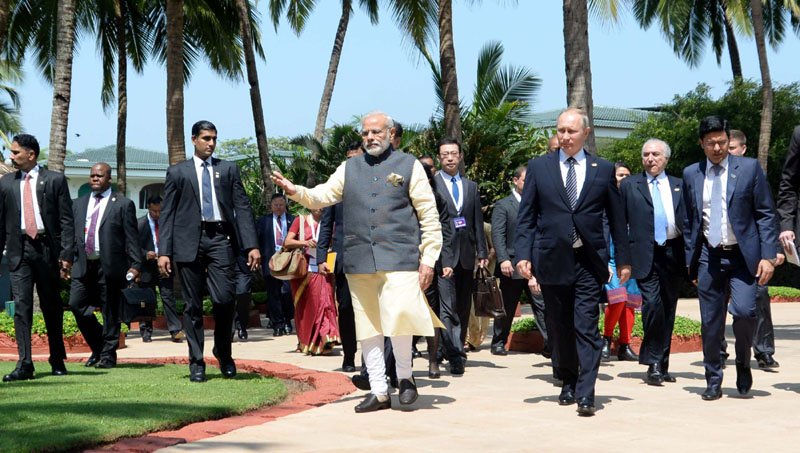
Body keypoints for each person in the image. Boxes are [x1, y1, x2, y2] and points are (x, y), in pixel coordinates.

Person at [271, 111, 443, 413]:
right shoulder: (349, 167)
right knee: (369, 327)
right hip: (359, 259)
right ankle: (378, 390)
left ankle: (405, 378)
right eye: (365, 133)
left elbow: (429, 215)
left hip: (400, 258)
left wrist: (428, 259)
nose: (370, 138)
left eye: (376, 132)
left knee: (401, 318)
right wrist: (295, 190)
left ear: (390, 133)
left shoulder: (409, 164)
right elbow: (323, 194)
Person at [515, 108, 631, 416]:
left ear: (585, 133)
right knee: (559, 325)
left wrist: (624, 260)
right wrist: (523, 255)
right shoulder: (540, 168)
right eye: (561, 131)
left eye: (571, 131)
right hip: (551, 258)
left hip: (588, 261)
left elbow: (617, 219)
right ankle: (566, 378)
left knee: (585, 325)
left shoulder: (602, 169)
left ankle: (586, 391)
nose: (565, 137)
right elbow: (526, 216)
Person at [682, 115, 778, 401]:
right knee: (710, 322)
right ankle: (713, 378)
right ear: (702, 144)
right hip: (708, 258)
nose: (717, 148)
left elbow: (765, 213)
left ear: (728, 141)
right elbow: (689, 221)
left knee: (746, 312)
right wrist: (692, 260)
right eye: (711, 143)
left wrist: (768, 256)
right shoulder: (691, 174)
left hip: (743, 257)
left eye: (722, 142)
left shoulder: (749, 169)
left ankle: (743, 362)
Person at [158, 120, 261, 383]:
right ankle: (196, 362)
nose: (211, 143)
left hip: (220, 239)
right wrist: (164, 252)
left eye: (214, 138)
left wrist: (252, 245)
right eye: (206, 138)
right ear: (194, 140)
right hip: (187, 242)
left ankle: (223, 353)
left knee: (225, 299)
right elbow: (167, 213)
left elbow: (243, 207)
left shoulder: (228, 169)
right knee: (192, 305)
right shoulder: (177, 172)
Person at [0, 134, 74, 382]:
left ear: (31, 154)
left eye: (16, 152)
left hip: (46, 250)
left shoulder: (54, 180)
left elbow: (66, 220)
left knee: (51, 306)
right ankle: (25, 364)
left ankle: (57, 359)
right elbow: (1, 224)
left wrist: (66, 254)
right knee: (21, 307)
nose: (12, 156)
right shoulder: (6, 183)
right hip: (18, 250)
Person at [619, 140, 685, 385]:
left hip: (672, 253)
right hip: (644, 254)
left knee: (668, 308)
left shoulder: (679, 184)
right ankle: (653, 362)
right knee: (653, 305)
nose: (650, 158)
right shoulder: (629, 185)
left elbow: (690, 222)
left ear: (666, 158)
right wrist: (622, 260)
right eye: (646, 154)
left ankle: (662, 363)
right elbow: (618, 224)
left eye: (655, 154)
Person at [69, 163, 141, 368]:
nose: (94, 179)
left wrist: (136, 265)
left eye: (99, 176)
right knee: (76, 304)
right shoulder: (79, 204)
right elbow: (71, 235)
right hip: (83, 265)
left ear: (109, 178)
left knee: (110, 312)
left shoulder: (122, 204)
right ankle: (99, 347)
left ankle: (108, 357)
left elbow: (131, 237)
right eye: (92, 175)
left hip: (110, 265)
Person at [722, 130, 781, 369]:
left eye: (732, 148)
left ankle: (763, 350)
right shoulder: (711, 175)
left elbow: (766, 214)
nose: (727, 152)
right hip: (719, 251)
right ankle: (718, 351)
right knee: (716, 302)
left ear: (743, 149)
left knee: (758, 300)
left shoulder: (752, 172)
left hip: (752, 254)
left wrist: (771, 249)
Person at [433, 137, 489, 375]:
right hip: (442, 256)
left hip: (466, 255)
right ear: (439, 157)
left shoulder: (471, 187)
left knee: (464, 307)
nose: (449, 157)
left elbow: (476, 220)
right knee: (447, 307)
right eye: (445, 154)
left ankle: (453, 346)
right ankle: (455, 354)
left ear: (460, 156)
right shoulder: (431, 185)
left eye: (453, 153)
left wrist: (483, 251)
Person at [490, 165, 548, 356]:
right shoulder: (503, 205)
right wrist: (503, 259)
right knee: (507, 306)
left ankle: (550, 343)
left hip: (535, 266)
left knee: (542, 305)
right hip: (511, 266)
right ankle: (498, 342)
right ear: (515, 181)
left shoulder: (539, 204)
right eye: (525, 180)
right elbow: (498, 235)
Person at [318, 141, 365, 372]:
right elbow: (326, 225)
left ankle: (371, 360)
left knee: (370, 309)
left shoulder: (373, 184)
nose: (352, 162)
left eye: (357, 158)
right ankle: (349, 355)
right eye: (349, 158)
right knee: (345, 307)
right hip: (344, 259)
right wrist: (320, 258)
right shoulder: (337, 188)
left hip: (370, 259)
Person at [284, 208, 340, 354]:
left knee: (326, 303)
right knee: (308, 307)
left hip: (324, 268)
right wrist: (305, 242)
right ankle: (307, 342)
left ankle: (326, 339)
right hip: (304, 271)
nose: (320, 207)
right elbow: (287, 242)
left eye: (323, 203)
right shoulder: (300, 221)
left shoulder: (330, 222)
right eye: (316, 203)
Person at [601, 162, 640, 363]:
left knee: (630, 302)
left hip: (631, 255)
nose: (623, 178)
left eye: (627, 174)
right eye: (619, 174)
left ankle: (625, 345)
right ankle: (606, 339)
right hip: (611, 256)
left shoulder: (635, 197)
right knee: (617, 299)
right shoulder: (603, 197)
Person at [137, 196, 184, 343]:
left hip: (165, 266)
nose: (157, 214)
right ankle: (146, 330)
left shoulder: (168, 223)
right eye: (154, 211)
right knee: (147, 299)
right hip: (147, 268)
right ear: (148, 208)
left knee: (168, 297)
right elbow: (132, 246)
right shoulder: (140, 224)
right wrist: (145, 253)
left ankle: (175, 330)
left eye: (160, 211)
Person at [257, 194, 296, 336]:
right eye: (276, 205)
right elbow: (258, 241)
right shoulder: (263, 221)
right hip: (270, 261)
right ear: (271, 206)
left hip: (288, 261)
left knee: (286, 292)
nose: (279, 208)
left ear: (285, 205)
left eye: (281, 205)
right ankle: (277, 324)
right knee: (273, 294)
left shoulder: (293, 220)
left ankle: (287, 320)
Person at [465, 221, 494, 351]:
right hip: (466, 271)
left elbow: (494, 247)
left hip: (483, 273)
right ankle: (471, 338)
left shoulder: (486, 227)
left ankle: (477, 338)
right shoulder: (462, 224)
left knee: (483, 306)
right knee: (468, 306)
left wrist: (485, 259)